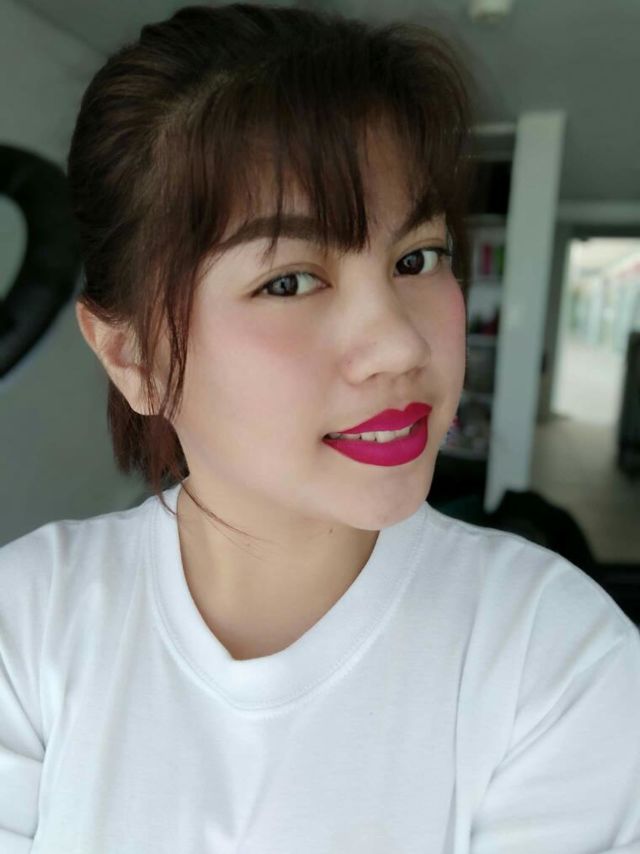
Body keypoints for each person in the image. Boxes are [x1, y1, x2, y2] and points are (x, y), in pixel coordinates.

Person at [1, 4, 639, 852]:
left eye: (417, 258)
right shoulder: (25, 625)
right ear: (134, 356)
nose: (401, 346)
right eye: (290, 281)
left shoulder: (555, 659)